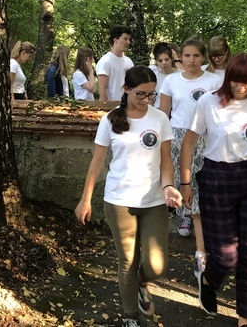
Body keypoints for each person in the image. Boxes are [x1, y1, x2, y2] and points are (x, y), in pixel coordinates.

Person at [179, 53, 247, 327]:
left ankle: (245, 318)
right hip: (216, 177)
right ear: (228, 78)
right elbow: (189, 143)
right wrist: (185, 182)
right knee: (227, 256)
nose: (241, 87)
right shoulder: (208, 102)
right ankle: (207, 279)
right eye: (236, 81)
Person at [75, 66, 183, 327]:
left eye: (152, 95)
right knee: (128, 261)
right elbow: (97, 163)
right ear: (126, 90)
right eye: (141, 94)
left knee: (156, 265)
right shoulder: (110, 120)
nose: (147, 100)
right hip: (119, 200)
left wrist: (168, 186)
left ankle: (142, 283)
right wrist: (85, 198)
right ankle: (130, 317)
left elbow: (166, 159)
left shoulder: (160, 119)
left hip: (154, 201)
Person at [159, 38, 222, 280]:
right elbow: (164, 113)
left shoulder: (214, 81)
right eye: (187, 56)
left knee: (200, 179)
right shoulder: (171, 81)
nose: (191, 60)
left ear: (203, 58)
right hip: (177, 134)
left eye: (196, 56)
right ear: (180, 58)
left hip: (206, 136)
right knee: (180, 178)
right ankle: (184, 216)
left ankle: (203, 237)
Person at [96, 26, 134, 103]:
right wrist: (106, 108)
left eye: (129, 39)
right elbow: (102, 89)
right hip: (112, 107)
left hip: (127, 106)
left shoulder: (129, 61)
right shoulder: (105, 61)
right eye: (125, 39)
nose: (128, 42)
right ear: (115, 40)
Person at [149, 43, 180, 108]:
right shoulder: (153, 77)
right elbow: (150, 98)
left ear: (171, 59)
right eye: (160, 60)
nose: (164, 63)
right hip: (158, 110)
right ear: (156, 61)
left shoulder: (181, 74)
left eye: (166, 59)